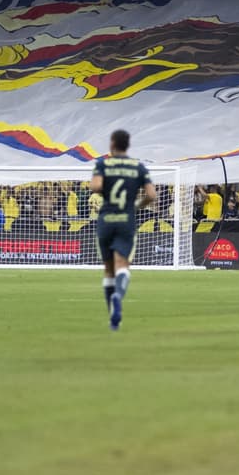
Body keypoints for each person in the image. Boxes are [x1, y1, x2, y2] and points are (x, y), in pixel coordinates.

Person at [89, 129, 157, 331]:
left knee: (108, 269)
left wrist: (108, 188)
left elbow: (95, 186)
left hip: (106, 218)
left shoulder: (103, 164)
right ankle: (119, 295)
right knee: (122, 266)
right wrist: (137, 204)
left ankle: (112, 317)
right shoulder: (138, 166)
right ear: (127, 145)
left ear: (112, 144)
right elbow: (152, 195)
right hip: (126, 219)